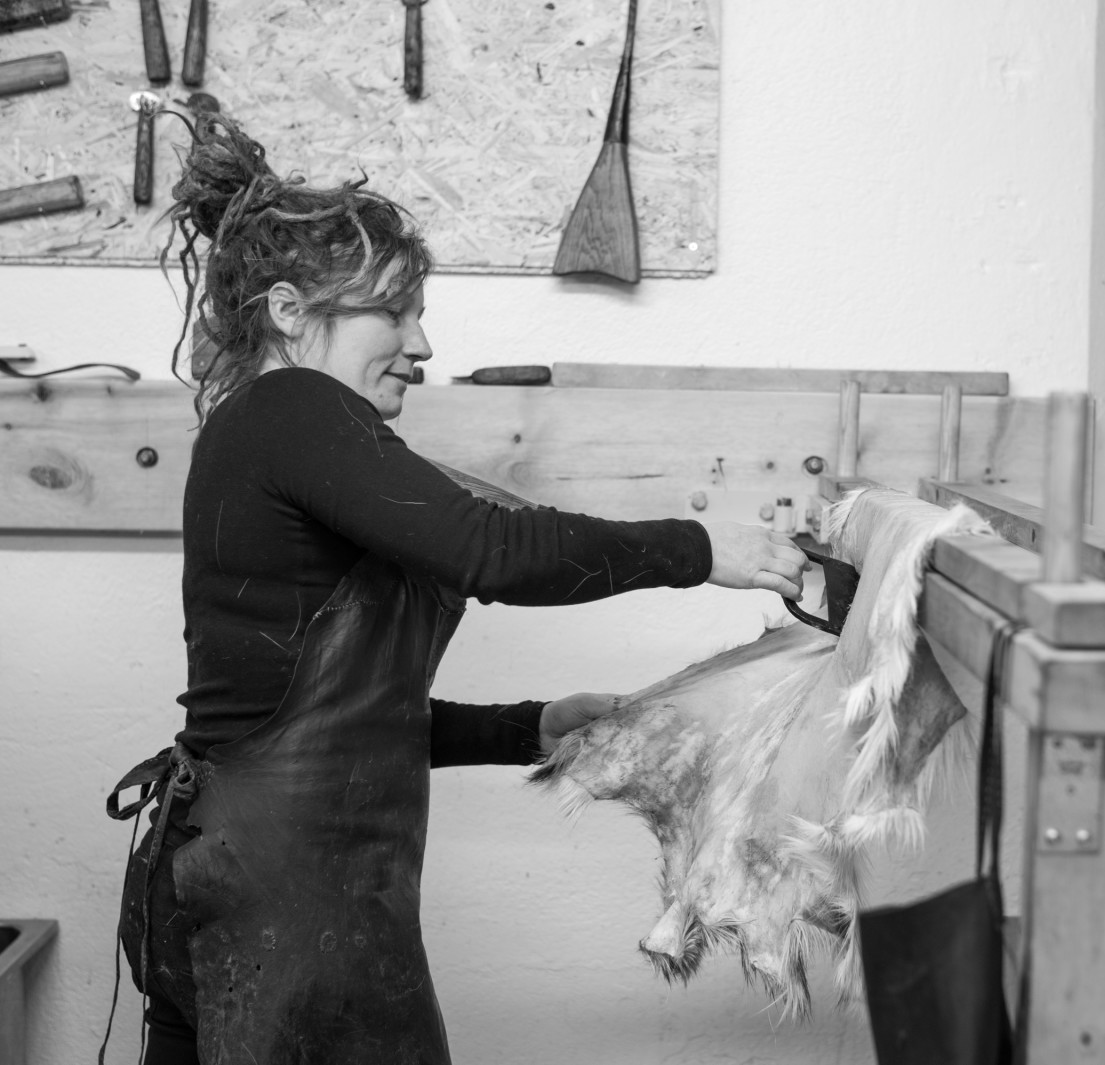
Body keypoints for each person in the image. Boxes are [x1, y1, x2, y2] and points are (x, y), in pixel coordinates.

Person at [106, 113, 807, 1065]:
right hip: (269, 894)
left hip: (262, 882)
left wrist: (528, 725)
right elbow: (493, 551)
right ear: (288, 310)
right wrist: (698, 547)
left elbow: (335, 729)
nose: (423, 342)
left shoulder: (281, 435)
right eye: (393, 313)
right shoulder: (289, 407)